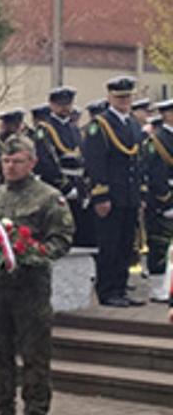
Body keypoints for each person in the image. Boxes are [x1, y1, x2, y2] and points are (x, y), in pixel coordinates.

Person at [0, 136, 73, 415]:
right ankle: (3, 414)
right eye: (7, 162)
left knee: (35, 355)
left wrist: (32, 254)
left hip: (30, 289)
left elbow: (61, 239)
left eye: (18, 161)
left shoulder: (49, 198)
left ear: (32, 163)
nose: (11, 167)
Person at [84, 76, 145, 307]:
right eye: (120, 97)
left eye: (128, 97)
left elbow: (136, 162)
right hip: (110, 194)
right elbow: (95, 162)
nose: (125, 101)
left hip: (129, 194)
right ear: (110, 97)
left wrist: (140, 194)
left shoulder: (132, 124)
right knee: (109, 245)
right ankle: (107, 291)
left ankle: (120, 288)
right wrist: (101, 194)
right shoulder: (99, 125)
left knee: (125, 244)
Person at [34, 87, 94, 248]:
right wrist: (64, 186)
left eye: (67, 104)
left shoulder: (74, 129)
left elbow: (82, 157)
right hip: (56, 185)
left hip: (77, 182)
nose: (64, 108)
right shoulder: (45, 129)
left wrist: (84, 185)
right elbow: (46, 161)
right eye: (60, 104)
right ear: (52, 105)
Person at [145, 101, 173, 303]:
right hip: (162, 200)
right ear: (166, 116)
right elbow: (156, 174)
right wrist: (166, 200)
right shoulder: (157, 140)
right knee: (160, 243)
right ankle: (157, 287)